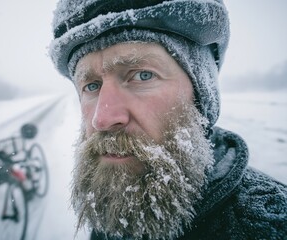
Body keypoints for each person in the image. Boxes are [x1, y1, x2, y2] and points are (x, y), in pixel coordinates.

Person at [49, 0, 287, 239]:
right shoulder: (110, 202)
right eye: (91, 86)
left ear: (202, 97)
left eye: (143, 75)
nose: (102, 119)